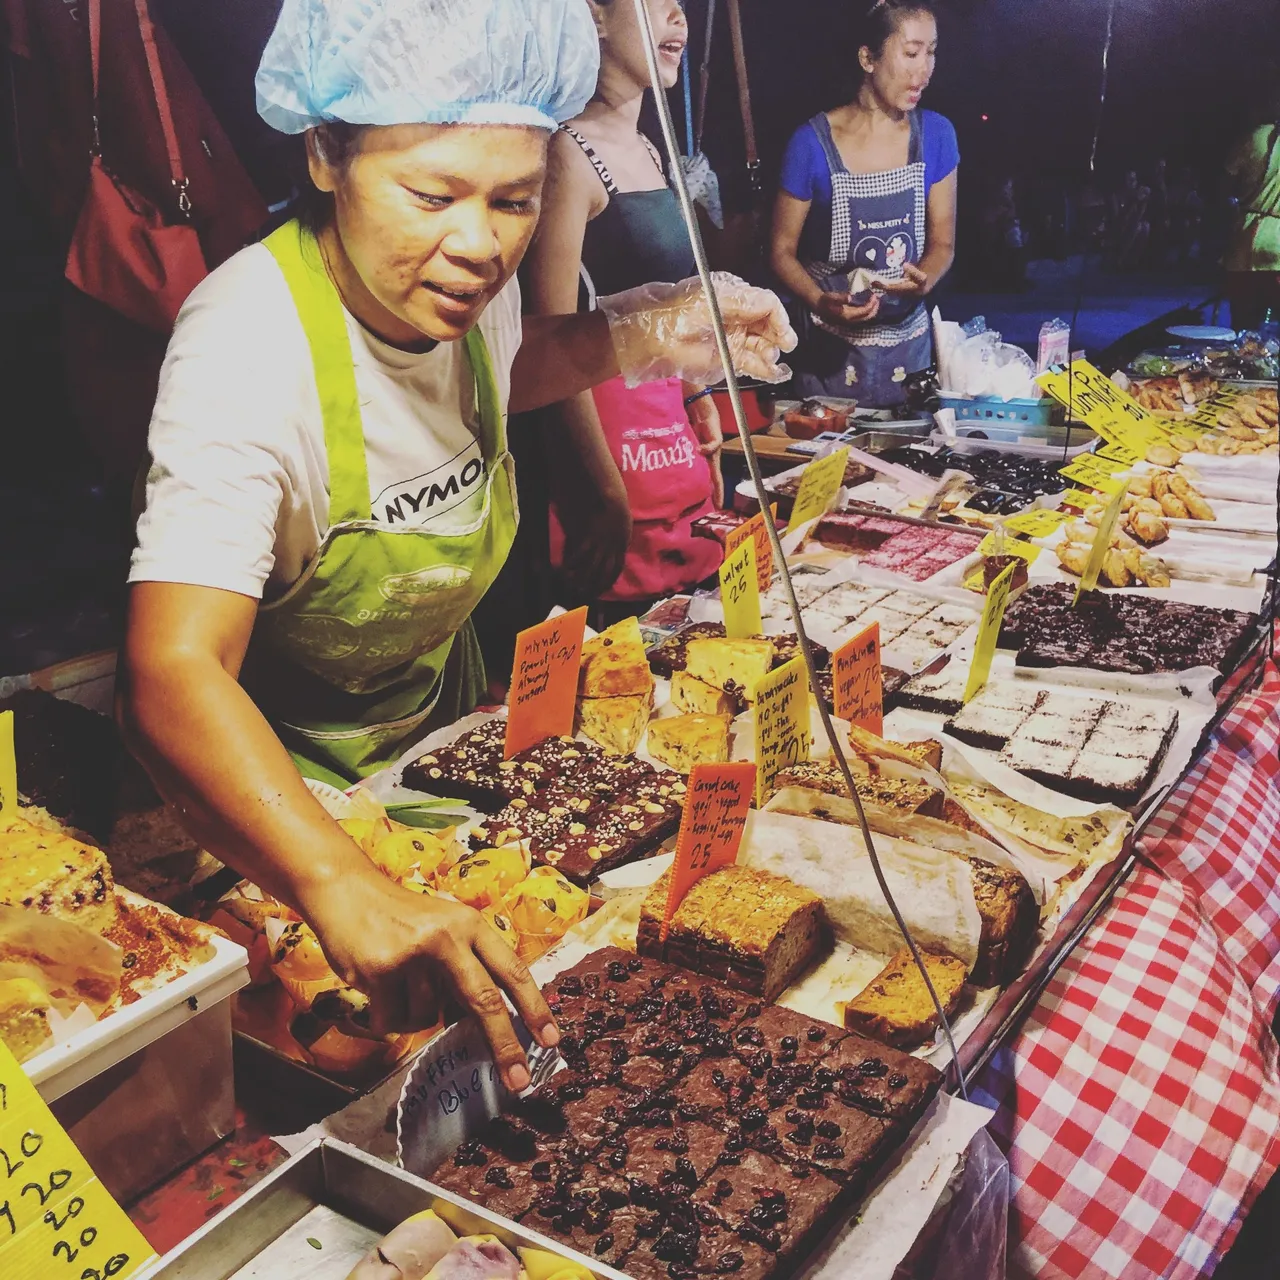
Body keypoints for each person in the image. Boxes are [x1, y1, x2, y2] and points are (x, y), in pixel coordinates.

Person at [117, 0, 795, 1091]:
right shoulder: (245, 344)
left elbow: (502, 368)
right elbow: (168, 671)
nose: (478, 243)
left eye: (514, 199)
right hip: (279, 823)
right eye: (431, 195)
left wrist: (650, 322)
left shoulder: (455, 293)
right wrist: (340, 881)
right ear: (327, 154)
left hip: (429, 767)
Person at [520, 0, 724, 626]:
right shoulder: (567, 154)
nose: (679, 19)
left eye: (682, 6)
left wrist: (697, 395)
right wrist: (601, 491)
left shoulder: (649, 150)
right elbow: (545, 341)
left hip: (667, 438)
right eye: (655, 3)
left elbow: (668, 302)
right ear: (596, 17)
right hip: (605, 453)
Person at [768, 0, 958, 407]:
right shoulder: (811, 144)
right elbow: (781, 253)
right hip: (830, 358)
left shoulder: (937, 136)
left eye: (932, 51)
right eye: (911, 53)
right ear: (867, 58)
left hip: (910, 354)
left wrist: (924, 277)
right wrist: (821, 300)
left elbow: (943, 243)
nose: (924, 69)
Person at [1225, 119, 1280, 331]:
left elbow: (1225, 181)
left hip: (1244, 242)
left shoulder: (1255, 136)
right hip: (1276, 248)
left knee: (1243, 325)